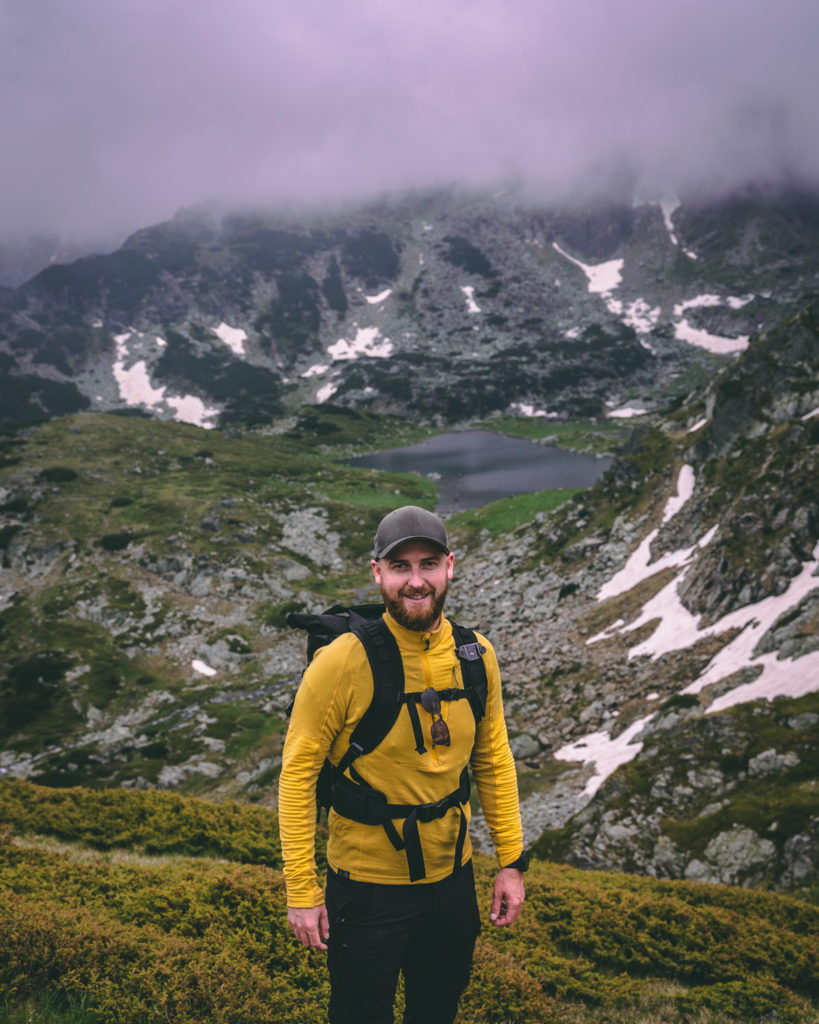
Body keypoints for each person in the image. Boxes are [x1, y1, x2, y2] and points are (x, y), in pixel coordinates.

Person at [278, 505, 527, 1024]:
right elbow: (297, 777)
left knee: (437, 1010)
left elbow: (493, 758)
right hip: (367, 887)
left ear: (449, 566)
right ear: (378, 573)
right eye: (400, 567)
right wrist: (302, 891)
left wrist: (510, 861)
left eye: (428, 564)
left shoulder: (476, 655)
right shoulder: (342, 661)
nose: (416, 581)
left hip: (453, 881)